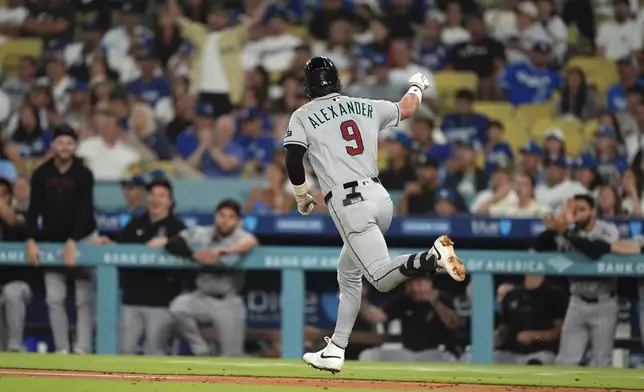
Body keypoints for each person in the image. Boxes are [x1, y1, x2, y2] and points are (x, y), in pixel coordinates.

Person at [283, 56, 466, 374]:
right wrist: (417, 85)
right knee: (348, 274)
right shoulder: (364, 104)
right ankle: (336, 349)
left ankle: (432, 258)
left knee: (380, 278)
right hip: (380, 198)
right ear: (337, 80)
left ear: (309, 86)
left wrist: (301, 195)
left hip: (348, 201)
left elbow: (293, 158)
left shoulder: (303, 114)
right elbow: (408, 109)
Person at [24, 124, 97, 354]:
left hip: (83, 239)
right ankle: (62, 349)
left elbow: (84, 209)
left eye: (69, 143)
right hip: (52, 241)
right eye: (60, 142)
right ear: (52, 145)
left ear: (75, 147)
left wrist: (73, 241)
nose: (65, 147)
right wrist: (30, 240)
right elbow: (33, 210)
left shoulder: (83, 174)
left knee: (84, 299)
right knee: (54, 298)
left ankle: (83, 348)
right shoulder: (41, 174)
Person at [95, 178, 186, 355]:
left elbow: (189, 248)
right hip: (132, 300)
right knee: (124, 350)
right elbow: (122, 249)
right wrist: (109, 244)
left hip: (161, 302)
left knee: (155, 353)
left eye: (161, 196)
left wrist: (169, 242)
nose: (155, 199)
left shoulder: (177, 227)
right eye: (152, 195)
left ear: (170, 201)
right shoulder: (135, 224)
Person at [532, 195, 619, 367]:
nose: (577, 214)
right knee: (565, 361)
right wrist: (555, 227)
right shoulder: (569, 231)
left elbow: (595, 250)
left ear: (593, 212)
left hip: (603, 302)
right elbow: (538, 246)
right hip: (577, 302)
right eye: (574, 210)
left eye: (582, 209)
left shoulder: (607, 229)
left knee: (603, 362)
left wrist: (566, 229)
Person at [165, 199, 258, 357]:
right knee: (178, 307)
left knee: (231, 356)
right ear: (216, 217)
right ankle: (200, 348)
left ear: (237, 221)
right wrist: (194, 255)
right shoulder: (203, 233)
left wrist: (222, 252)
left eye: (230, 217)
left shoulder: (241, 236)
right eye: (222, 215)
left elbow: (251, 242)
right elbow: (174, 242)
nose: (225, 221)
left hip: (227, 302)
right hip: (202, 297)